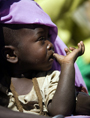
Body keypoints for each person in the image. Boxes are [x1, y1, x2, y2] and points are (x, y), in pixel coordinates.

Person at [0, 0, 89, 117]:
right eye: (41, 38)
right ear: (11, 54)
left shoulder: (49, 79)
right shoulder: (3, 85)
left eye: (48, 37)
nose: (50, 44)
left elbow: (60, 110)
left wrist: (67, 65)